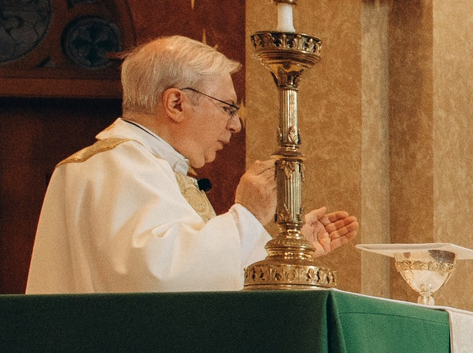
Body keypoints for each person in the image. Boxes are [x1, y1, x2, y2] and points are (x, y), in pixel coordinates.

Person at [27, 35, 356, 293]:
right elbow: (162, 277)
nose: (235, 125)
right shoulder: (120, 165)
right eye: (228, 107)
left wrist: (284, 251)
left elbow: (199, 274)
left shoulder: (143, 165)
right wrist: (249, 215)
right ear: (175, 103)